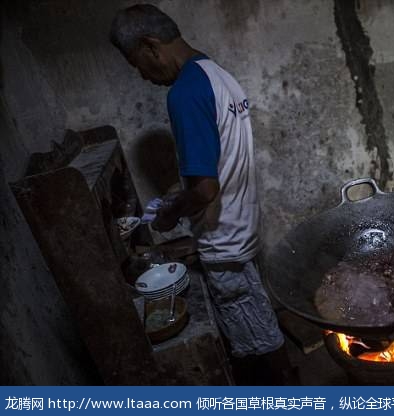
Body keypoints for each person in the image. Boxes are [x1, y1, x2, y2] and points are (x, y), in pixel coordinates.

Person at [109, 4, 297, 385]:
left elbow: (207, 189)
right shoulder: (217, 75)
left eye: (137, 64)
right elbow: (223, 162)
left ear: (150, 46)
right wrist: (183, 189)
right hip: (244, 230)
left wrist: (172, 211)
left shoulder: (184, 93)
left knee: (257, 346)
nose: (142, 76)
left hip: (223, 241)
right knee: (261, 324)